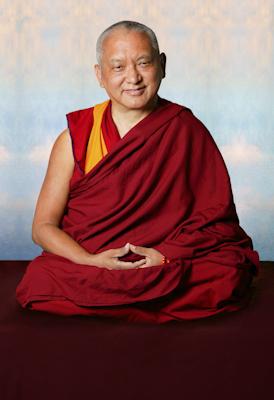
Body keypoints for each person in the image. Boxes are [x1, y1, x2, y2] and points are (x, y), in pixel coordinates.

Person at [15, 20, 260, 323]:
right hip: (92, 262)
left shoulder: (185, 129)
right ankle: (135, 296)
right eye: (118, 67)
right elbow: (43, 227)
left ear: (163, 64)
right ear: (99, 75)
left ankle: (115, 298)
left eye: (144, 63)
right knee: (41, 277)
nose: (133, 77)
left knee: (227, 270)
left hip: (162, 261)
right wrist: (91, 261)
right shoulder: (76, 137)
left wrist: (166, 255)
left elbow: (215, 218)